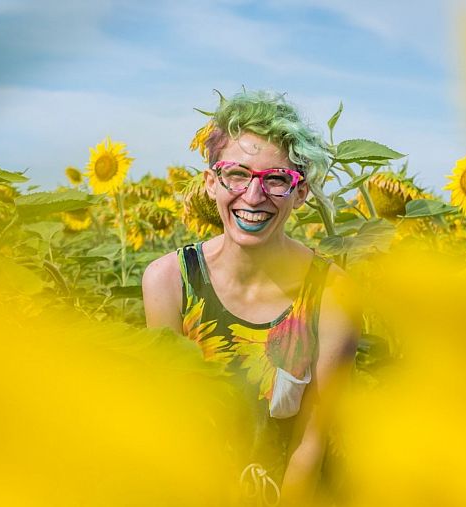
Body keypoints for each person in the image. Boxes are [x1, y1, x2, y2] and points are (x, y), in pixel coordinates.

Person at [142, 90, 360, 505]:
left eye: (276, 179)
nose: (253, 196)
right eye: (237, 175)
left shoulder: (333, 293)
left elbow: (313, 437)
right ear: (211, 183)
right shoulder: (169, 282)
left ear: (300, 194)